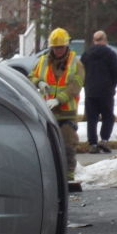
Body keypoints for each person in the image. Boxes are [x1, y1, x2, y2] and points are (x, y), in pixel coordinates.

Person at [29, 27, 85, 182]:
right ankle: (52, 177)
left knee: (68, 146)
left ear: (66, 46)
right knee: (47, 146)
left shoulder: (76, 63)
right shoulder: (43, 61)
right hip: (48, 112)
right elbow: (31, 76)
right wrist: (39, 83)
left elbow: (75, 86)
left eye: (61, 47)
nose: (58, 50)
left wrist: (58, 99)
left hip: (67, 113)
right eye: (55, 47)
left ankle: (68, 177)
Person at [80, 30, 117, 154]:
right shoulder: (111, 54)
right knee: (108, 116)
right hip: (106, 91)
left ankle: (93, 144)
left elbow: (80, 72)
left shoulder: (86, 54)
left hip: (90, 91)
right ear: (105, 40)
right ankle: (104, 140)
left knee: (92, 118)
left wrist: (86, 84)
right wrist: (112, 85)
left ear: (94, 40)